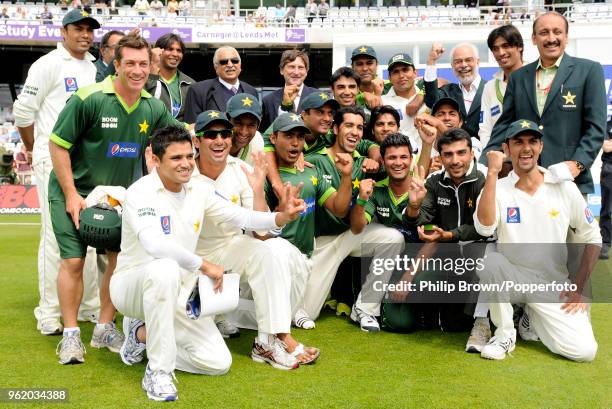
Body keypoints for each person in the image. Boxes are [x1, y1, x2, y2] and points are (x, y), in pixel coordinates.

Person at [111, 125, 305, 401]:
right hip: (132, 286)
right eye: (176, 158)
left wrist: (280, 218)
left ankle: (141, 335)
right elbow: (155, 245)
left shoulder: (199, 188)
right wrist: (204, 264)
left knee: (217, 363)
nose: (186, 164)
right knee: (164, 268)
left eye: (189, 157)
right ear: (155, 159)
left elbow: (241, 217)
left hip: (177, 289)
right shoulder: (140, 192)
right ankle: (158, 371)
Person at [48, 33, 183, 365]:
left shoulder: (153, 107)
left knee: (117, 263)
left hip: (118, 198)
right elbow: (57, 144)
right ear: (116, 64)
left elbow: (180, 135)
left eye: (143, 64)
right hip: (75, 193)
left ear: (151, 66)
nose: (137, 71)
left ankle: (105, 328)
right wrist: (70, 195)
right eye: (130, 64)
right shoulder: (88, 98)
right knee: (74, 262)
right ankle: (70, 336)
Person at [192, 111, 320, 368]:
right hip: (192, 256)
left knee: (272, 250)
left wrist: (258, 189)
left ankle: (270, 340)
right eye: (211, 135)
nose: (219, 141)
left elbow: (260, 233)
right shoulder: (185, 168)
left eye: (225, 134)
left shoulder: (241, 169)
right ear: (197, 141)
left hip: (228, 248)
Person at [475, 119, 600, 362]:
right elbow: (484, 227)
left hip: (552, 284)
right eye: (518, 142)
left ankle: (529, 316)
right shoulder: (497, 187)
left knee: (584, 352)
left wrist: (580, 284)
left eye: (532, 141)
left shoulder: (564, 188)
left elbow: (592, 237)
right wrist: (491, 172)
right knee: (489, 263)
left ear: (541, 147)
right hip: (514, 277)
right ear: (506, 148)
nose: (526, 148)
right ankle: (504, 334)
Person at [12, 8, 101, 336]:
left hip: (87, 163)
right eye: (78, 28)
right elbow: (23, 112)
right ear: (63, 31)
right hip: (53, 159)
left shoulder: (95, 67)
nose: (85, 35)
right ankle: (49, 312)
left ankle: (89, 305)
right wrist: (36, 147)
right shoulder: (48, 64)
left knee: (91, 233)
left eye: (90, 30)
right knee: (55, 237)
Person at [303, 106, 404, 331]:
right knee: (307, 313)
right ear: (336, 128)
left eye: (359, 127)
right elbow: (337, 209)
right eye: (349, 125)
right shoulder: (314, 161)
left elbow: (402, 165)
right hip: (321, 242)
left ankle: (365, 309)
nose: (355, 132)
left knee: (392, 238)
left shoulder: (366, 162)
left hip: (351, 234)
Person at [483, 12, 607, 195]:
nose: (551, 38)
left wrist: (577, 164)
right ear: (534, 38)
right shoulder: (518, 77)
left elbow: (596, 127)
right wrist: (483, 164)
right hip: (525, 181)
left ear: (566, 37)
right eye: (544, 32)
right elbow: (504, 126)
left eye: (557, 32)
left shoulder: (589, 70)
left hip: (569, 180)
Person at [401, 128, 491, 352]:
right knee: (453, 325)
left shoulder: (485, 177)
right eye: (448, 155)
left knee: (489, 259)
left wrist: (451, 235)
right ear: (440, 157)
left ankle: (486, 320)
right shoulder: (433, 181)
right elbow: (420, 222)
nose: (455, 160)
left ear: (472, 153)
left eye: (461, 153)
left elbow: (486, 228)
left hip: (481, 253)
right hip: (448, 257)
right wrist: (413, 205)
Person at [424, 42, 486, 139]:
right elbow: (431, 100)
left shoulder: (490, 89)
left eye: (468, 60)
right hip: (454, 151)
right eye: (458, 61)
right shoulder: (447, 91)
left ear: (477, 62)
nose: (464, 65)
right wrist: (431, 61)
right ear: (452, 65)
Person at [183, 46, 258, 123]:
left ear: (240, 65)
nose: (230, 64)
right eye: (224, 62)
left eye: (234, 61)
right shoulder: (198, 91)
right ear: (216, 67)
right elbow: (192, 127)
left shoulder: (252, 92)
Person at [479, 25, 524, 149]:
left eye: (506, 46)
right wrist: (490, 154)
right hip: (500, 157)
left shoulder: (536, 76)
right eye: (495, 48)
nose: (501, 53)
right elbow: (485, 129)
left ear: (519, 46)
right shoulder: (490, 87)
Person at [260, 49, 318, 132]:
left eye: (301, 67)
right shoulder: (269, 101)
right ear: (281, 70)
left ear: (306, 72)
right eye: (291, 67)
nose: (296, 72)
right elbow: (264, 133)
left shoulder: (316, 96)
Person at [381, 53, 427, 151]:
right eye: (396, 72)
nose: (401, 75)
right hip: (398, 161)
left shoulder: (428, 96)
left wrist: (422, 94)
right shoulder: (382, 102)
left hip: (430, 160)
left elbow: (442, 82)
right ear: (389, 77)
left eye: (405, 70)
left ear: (415, 72)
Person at [146, 33, 194, 121]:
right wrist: (152, 70)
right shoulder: (143, 78)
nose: (175, 54)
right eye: (170, 49)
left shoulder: (190, 84)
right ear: (159, 51)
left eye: (179, 50)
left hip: (180, 133)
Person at [226, 93, 265, 167]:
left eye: (251, 125)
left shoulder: (257, 142)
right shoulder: (209, 139)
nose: (244, 132)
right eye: (238, 123)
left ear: (258, 125)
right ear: (227, 119)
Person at [599, 119, 612, 259]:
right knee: (607, 209)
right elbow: (606, 147)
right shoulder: (606, 125)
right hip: (609, 169)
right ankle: (605, 242)